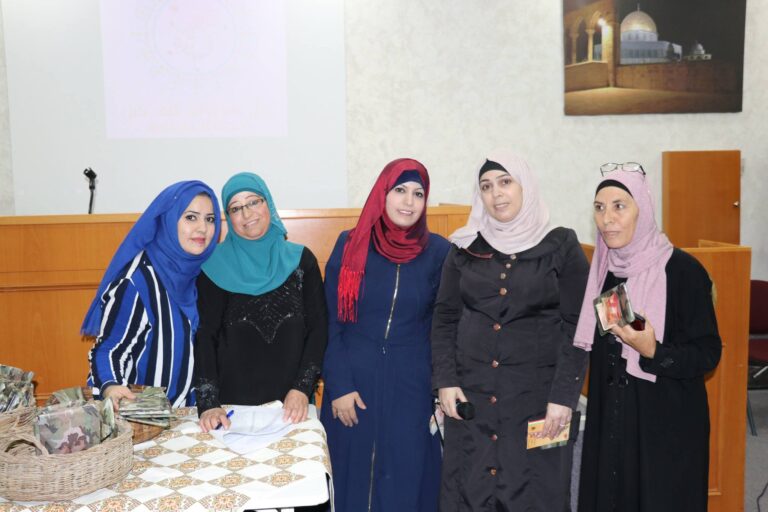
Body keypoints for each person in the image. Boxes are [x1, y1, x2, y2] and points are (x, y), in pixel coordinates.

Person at [431, 149, 589, 511]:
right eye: (486, 186)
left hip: (538, 401)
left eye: (505, 182)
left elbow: (578, 327)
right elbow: (445, 317)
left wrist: (563, 398)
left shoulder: (561, 245)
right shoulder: (465, 247)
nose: (496, 194)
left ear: (525, 186)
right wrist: (445, 381)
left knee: (536, 493)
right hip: (473, 397)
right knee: (470, 491)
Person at [575, 165, 721, 512]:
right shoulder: (605, 271)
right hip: (613, 418)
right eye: (599, 207)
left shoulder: (683, 271)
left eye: (619, 206)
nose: (607, 218)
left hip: (665, 425)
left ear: (642, 210)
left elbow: (707, 353)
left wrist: (653, 350)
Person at [321, 158, 450, 511]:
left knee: (406, 476)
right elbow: (330, 321)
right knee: (351, 475)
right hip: (353, 381)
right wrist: (339, 384)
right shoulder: (351, 244)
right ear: (383, 193)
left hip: (412, 384)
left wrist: (437, 391)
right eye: (400, 190)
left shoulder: (439, 252)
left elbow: (443, 326)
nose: (409, 201)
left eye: (418, 193)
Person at [194, 172, 327, 432]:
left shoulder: (301, 261)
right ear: (228, 217)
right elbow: (205, 336)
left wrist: (302, 388)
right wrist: (208, 403)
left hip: (293, 407)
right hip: (231, 413)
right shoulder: (214, 266)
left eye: (254, 202)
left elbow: (319, 329)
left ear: (268, 203)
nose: (247, 213)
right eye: (235, 208)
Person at [84, 180, 221, 408]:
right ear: (168, 219)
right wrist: (111, 386)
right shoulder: (137, 281)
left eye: (210, 219)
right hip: (143, 417)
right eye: (191, 217)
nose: (202, 228)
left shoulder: (205, 274)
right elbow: (109, 348)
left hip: (191, 415)